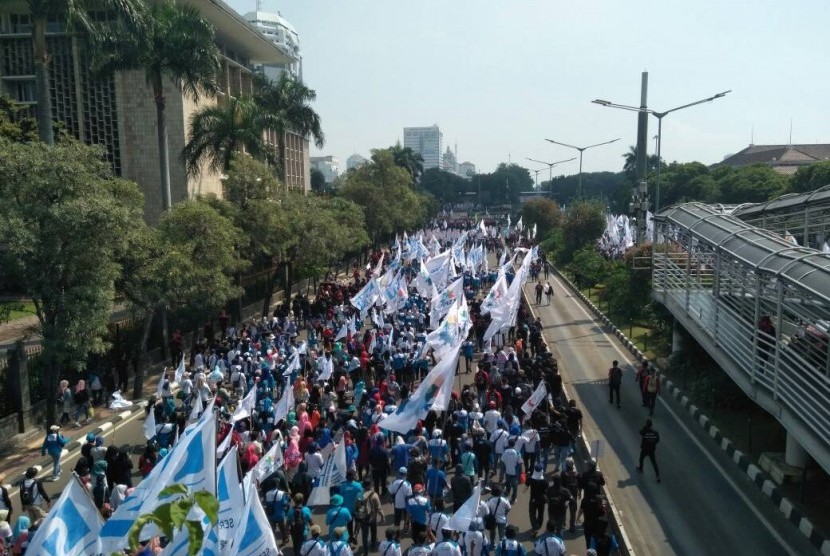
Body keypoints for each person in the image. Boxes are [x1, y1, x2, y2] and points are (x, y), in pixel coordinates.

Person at [356, 478, 382, 556]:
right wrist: (382, 516)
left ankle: (366, 551)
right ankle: (373, 542)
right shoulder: (374, 494)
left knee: (364, 535)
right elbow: (378, 507)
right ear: (369, 485)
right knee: (373, 530)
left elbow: (357, 507)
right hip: (372, 517)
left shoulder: (359, 494)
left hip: (363, 518)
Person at [265, 479, 290, 545]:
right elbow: (284, 503)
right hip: (280, 515)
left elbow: (266, 503)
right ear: (277, 484)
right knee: (282, 529)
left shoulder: (267, 493)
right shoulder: (281, 493)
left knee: (272, 530)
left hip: (271, 515)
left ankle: (271, 542)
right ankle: (285, 540)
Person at [636, 418, 661, 483]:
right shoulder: (655, 433)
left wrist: (645, 428)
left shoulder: (645, 431)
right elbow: (657, 440)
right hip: (652, 450)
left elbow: (640, 432)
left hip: (645, 449)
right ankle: (657, 476)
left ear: (647, 424)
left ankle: (641, 469)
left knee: (641, 459)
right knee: (654, 463)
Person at [526, 463, 547, 536]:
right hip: (542, 499)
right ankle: (539, 524)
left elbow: (526, 485)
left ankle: (534, 527)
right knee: (541, 512)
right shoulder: (544, 481)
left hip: (533, 499)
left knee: (532, 513)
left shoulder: (531, 479)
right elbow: (546, 489)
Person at [500, 438, 522, 504]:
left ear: (508, 444)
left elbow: (502, 462)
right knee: (515, 487)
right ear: (514, 444)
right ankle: (513, 499)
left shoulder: (505, 452)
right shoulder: (517, 453)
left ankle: (507, 493)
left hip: (507, 472)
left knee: (507, 483)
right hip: (515, 473)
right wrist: (521, 472)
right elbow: (520, 463)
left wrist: (502, 472)